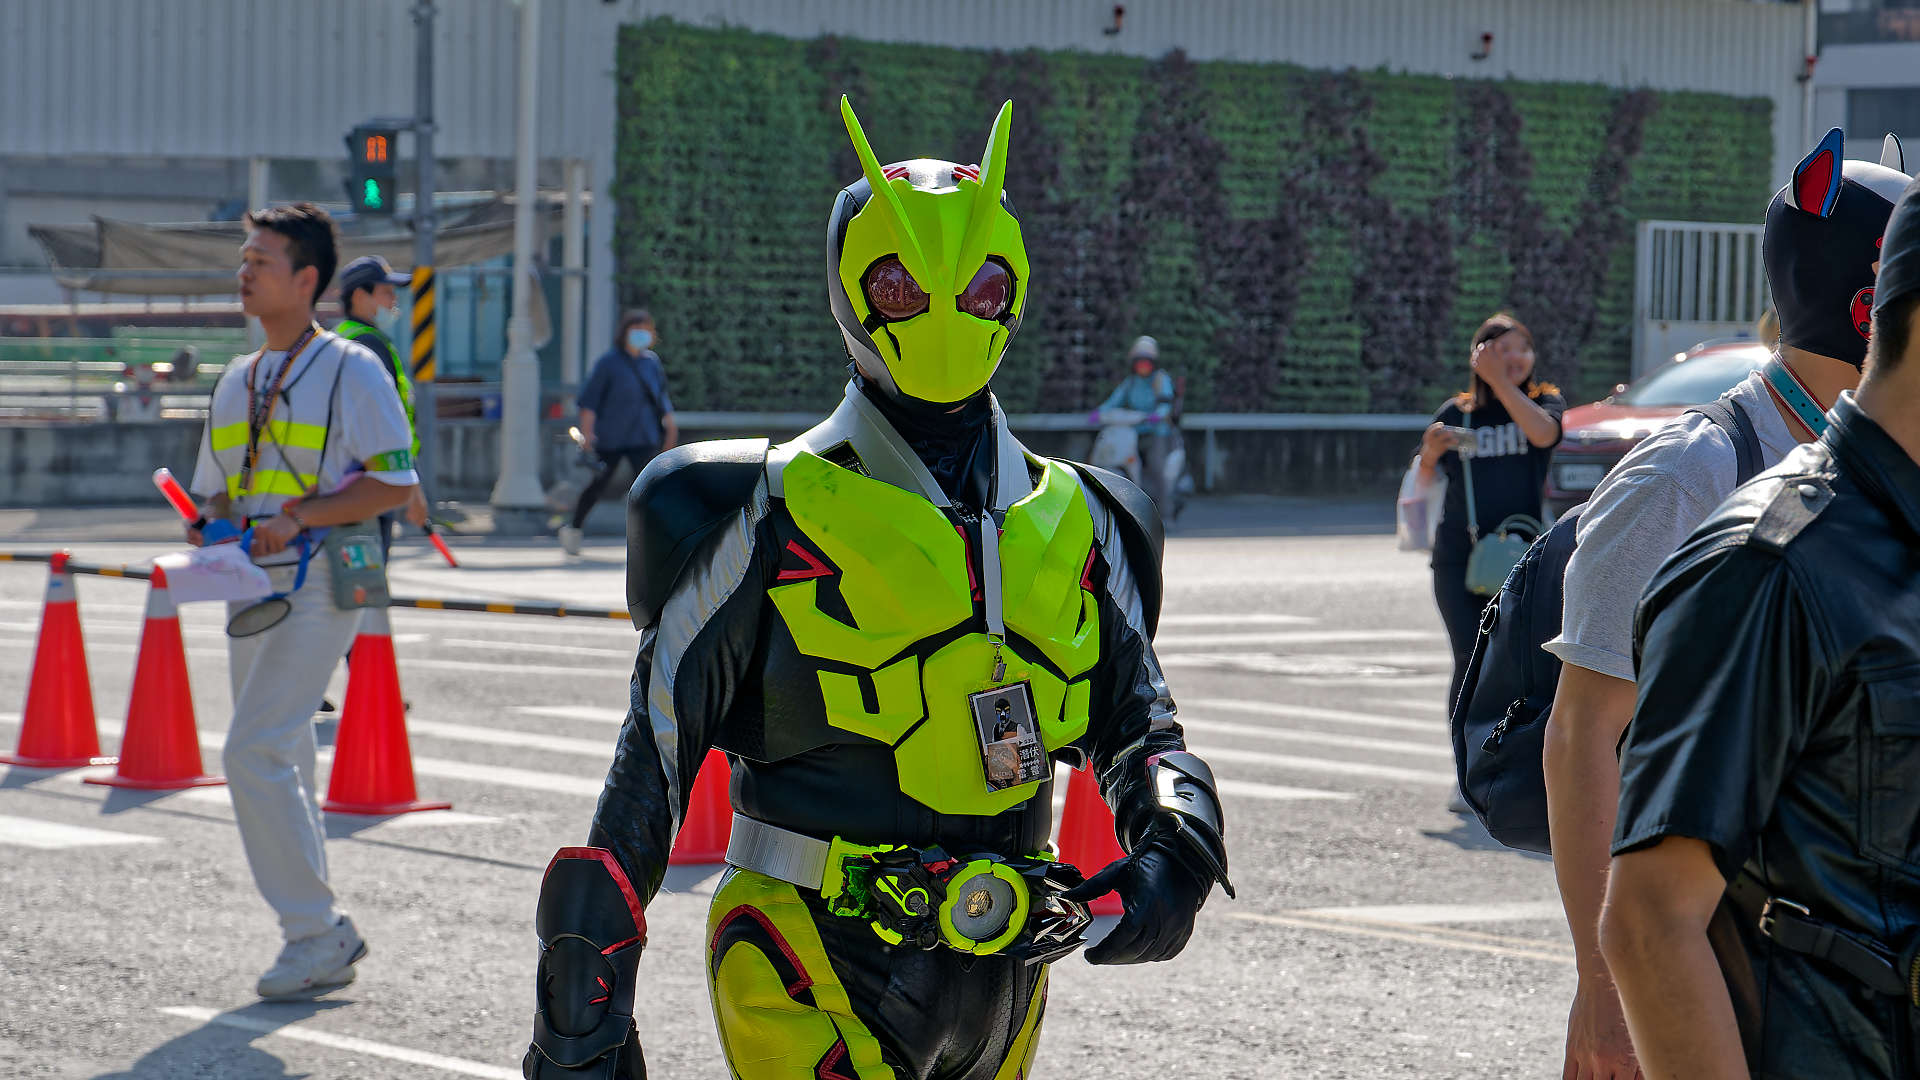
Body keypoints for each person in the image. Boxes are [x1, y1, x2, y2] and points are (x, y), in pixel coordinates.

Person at [522, 98, 1233, 1080]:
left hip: (1007, 967)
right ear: (850, 292)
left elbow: (1142, 728)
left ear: (1013, 290)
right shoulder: (760, 508)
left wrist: (1175, 844)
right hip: (809, 951)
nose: (942, 312)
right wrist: (585, 997)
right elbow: (655, 755)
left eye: (978, 286)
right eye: (901, 286)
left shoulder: (1089, 517)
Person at [1541, 128, 1909, 1080]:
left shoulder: (1877, 472)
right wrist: (1603, 985)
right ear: (1869, 302)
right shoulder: (1691, 474)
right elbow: (1583, 733)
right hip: (1722, 967)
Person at [185, 203, 418, 1000]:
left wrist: (302, 517)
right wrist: (206, 524)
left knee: (251, 751)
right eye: (243, 258)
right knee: (281, 753)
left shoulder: (353, 369)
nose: (244, 272)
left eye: (262, 260)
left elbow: (394, 483)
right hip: (248, 580)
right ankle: (319, 937)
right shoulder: (235, 379)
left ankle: (315, 932)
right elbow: (215, 492)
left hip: (325, 575)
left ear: (306, 278)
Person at [1418, 314, 1564, 713]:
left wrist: (1500, 382)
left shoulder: (1545, 402)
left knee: (1520, 660)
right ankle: (1464, 746)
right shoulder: (1457, 412)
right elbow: (1425, 478)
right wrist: (1429, 452)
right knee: (1468, 657)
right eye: (1503, 349)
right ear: (1480, 356)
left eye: (1524, 348)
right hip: (1459, 557)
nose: (1516, 357)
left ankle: (1506, 741)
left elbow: (1544, 435)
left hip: (1523, 556)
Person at [559, 310, 679, 556]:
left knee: (651, 486)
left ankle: (660, 538)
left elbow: (661, 400)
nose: (641, 334)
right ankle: (574, 528)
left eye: (645, 330)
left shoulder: (651, 363)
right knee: (599, 484)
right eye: (635, 330)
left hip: (643, 436)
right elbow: (589, 403)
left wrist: (670, 430)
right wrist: (587, 434)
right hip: (612, 437)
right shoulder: (609, 363)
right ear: (623, 332)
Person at [334, 254, 429, 554]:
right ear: (360, 296)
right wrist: (412, 488)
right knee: (368, 572)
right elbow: (389, 421)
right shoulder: (369, 345)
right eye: (386, 292)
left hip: (346, 480)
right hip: (375, 479)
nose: (393, 301)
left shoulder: (339, 338)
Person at [1094, 335, 1178, 514]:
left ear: (1153, 363)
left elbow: (1166, 405)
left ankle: (1166, 512)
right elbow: (1114, 400)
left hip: (1157, 432)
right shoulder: (1131, 382)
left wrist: (1157, 416)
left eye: (1146, 362)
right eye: (1139, 362)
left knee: (1157, 468)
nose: (1143, 366)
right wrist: (1099, 413)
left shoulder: (1160, 379)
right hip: (1133, 431)